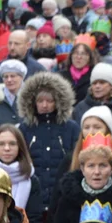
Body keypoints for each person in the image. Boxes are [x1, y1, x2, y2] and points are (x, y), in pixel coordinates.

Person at [17, 71, 80, 208]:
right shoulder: (24, 129)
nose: (44, 105)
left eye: (49, 101)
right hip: (32, 198)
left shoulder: (71, 128)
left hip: (63, 197)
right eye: (40, 101)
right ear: (33, 103)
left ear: (57, 102)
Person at [0, 125, 44, 223]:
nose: (7, 148)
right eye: (1, 144)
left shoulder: (31, 180)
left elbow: (35, 221)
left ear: (20, 146)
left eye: (12, 144)